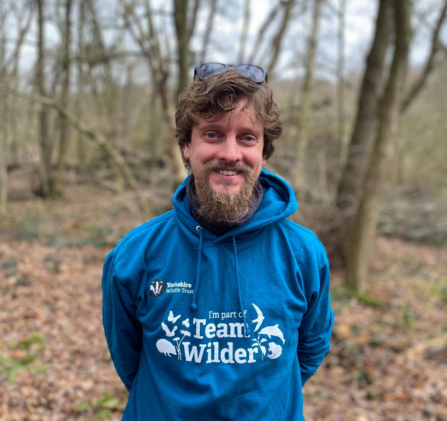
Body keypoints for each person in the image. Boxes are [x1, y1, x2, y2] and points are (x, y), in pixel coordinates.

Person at [102, 63, 334, 421]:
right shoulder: (135, 255)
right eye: (212, 134)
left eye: (246, 138)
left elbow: (311, 348)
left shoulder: (304, 254)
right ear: (185, 146)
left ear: (264, 152)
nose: (230, 153)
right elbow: (127, 357)